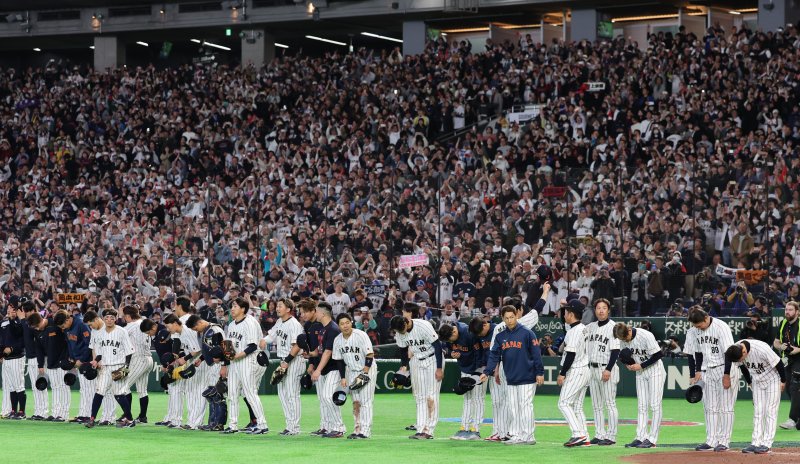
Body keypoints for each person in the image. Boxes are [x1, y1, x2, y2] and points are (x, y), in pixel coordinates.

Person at [480, 305, 544, 445]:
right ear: (502, 318)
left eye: (512, 317)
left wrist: (540, 372)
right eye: (507, 318)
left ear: (516, 316)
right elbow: (494, 356)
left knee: (525, 406)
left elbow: (536, 354)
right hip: (510, 377)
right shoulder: (500, 336)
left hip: (527, 377)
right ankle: (516, 434)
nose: (510, 320)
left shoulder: (527, 333)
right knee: (513, 407)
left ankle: (528, 435)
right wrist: (487, 371)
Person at [688, 306, 738, 452]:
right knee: (710, 408)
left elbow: (729, 353)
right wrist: (697, 371)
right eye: (695, 326)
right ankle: (711, 440)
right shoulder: (697, 330)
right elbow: (697, 352)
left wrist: (727, 375)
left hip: (725, 367)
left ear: (706, 318)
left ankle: (724, 441)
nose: (698, 328)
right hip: (707, 370)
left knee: (726, 408)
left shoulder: (721, 327)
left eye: (699, 325)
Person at [390, 302, 443, 439]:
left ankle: (429, 431)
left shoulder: (423, 326)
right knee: (419, 396)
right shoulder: (399, 332)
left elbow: (437, 346)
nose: (401, 333)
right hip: (416, 361)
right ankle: (420, 429)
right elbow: (403, 351)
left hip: (432, 358)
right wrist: (404, 366)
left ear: (407, 322)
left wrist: (439, 368)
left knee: (431, 396)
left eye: (402, 330)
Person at [725, 339, 786, 454]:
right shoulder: (736, 349)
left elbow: (778, 363)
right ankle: (755, 442)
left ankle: (767, 443)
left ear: (744, 352)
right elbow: (743, 367)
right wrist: (749, 382)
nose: (741, 360)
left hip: (772, 379)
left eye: (741, 358)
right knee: (758, 411)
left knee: (770, 410)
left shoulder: (761, 349)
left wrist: (783, 381)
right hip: (757, 381)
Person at [613, 322, 665, 449]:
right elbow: (626, 356)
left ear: (629, 331)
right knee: (642, 406)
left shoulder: (645, 335)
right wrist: (628, 364)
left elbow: (658, 355)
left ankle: (652, 439)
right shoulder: (623, 338)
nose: (624, 341)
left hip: (655, 371)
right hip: (640, 373)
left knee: (654, 405)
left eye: (625, 338)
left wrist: (641, 365)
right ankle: (640, 437)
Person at [221, 297, 268, 434]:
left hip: (249, 361)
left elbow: (253, 346)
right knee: (232, 393)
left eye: (235, 306)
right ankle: (233, 425)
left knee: (250, 393)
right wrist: (227, 361)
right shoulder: (231, 325)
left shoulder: (250, 322)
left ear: (243, 309)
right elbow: (228, 345)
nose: (232, 308)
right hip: (235, 363)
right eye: (232, 306)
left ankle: (262, 424)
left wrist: (236, 356)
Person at [84, 309, 136, 428]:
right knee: (99, 392)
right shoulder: (100, 333)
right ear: (103, 319)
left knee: (119, 394)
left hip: (118, 366)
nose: (109, 320)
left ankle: (130, 419)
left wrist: (126, 368)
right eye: (107, 318)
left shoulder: (122, 331)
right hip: (105, 368)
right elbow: (100, 353)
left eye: (112, 318)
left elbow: (129, 351)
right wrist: (95, 361)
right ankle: (92, 419)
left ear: (115, 319)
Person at [262, 298, 306, 436]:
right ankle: (289, 425)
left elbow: (297, 345)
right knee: (283, 395)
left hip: (294, 361)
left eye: (280, 306)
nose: (277, 308)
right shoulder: (279, 321)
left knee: (292, 395)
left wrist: (286, 361)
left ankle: (295, 427)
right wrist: (263, 340)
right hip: (283, 361)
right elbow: (271, 336)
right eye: (277, 306)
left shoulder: (294, 324)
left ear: (288, 309)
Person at [333, 312, 377, 439]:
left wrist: (365, 373)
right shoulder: (338, 340)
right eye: (342, 324)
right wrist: (343, 378)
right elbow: (339, 360)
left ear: (351, 322)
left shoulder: (361, 335)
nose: (345, 326)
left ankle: (365, 431)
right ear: (339, 326)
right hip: (351, 371)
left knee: (366, 400)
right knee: (356, 402)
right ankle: (357, 429)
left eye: (347, 322)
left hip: (367, 369)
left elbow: (369, 354)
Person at [438, 320, 483, 440]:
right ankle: (464, 427)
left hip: (478, 368)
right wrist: (453, 353)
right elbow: (452, 348)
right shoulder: (449, 336)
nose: (450, 342)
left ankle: (476, 429)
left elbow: (479, 352)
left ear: (454, 332)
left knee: (478, 398)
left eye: (450, 340)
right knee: (467, 398)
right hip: (465, 368)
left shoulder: (468, 333)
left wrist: (479, 372)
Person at [585, 298, 620, 445]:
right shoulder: (590, 327)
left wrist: (608, 369)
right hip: (592, 369)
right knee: (596, 404)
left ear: (608, 310)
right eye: (598, 308)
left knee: (609, 403)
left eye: (604, 308)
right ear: (595, 310)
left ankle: (611, 436)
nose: (601, 310)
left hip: (606, 368)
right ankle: (600, 434)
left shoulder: (614, 327)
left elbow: (616, 350)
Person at [185, 314, 227, 431]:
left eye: (195, 328)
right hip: (212, 366)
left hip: (219, 365)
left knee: (217, 394)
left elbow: (225, 348)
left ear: (199, 323)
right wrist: (201, 359)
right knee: (211, 394)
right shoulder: (207, 330)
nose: (195, 330)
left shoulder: (215, 330)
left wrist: (224, 365)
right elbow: (209, 349)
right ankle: (212, 422)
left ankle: (218, 424)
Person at [558, 302, 591, 447]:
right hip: (585, 369)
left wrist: (562, 373)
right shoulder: (582, 328)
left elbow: (570, 354)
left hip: (576, 370)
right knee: (576, 407)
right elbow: (564, 323)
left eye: (565, 312)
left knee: (563, 403)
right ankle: (585, 436)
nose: (563, 314)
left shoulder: (574, 331)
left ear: (571, 314)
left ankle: (578, 434)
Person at [311, 301, 345, 438]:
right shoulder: (324, 328)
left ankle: (339, 427)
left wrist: (318, 370)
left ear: (323, 313)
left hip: (334, 368)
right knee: (324, 398)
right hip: (327, 368)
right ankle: (329, 426)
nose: (316, 313)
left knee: (327, 396)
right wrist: (311, 354)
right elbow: (321, 350)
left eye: (317, 311)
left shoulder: (333, 329)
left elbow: (328, 352)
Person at [29, 310, 70, 422]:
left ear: (42, 320)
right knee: (55, 387)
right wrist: (40, 364)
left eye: (37, 326)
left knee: (64, 386)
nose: (37, 329)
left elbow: (67, 342)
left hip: (62, 362)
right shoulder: (38, 332)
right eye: (34, 328)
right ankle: (56, 413)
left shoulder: (55, 323)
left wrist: (67, 358)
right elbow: (39, 349)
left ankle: (64, 414)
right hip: (51, 362)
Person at [55, 309, 92, 423]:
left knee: (89, 389)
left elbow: (89, 343)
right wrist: (72, 359)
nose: (63, 327)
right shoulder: (67, 328)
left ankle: (88, 415)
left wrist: (82, 359)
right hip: (77, 361)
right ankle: (83, 414)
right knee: (84, 389)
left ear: (68, 319)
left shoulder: (81, 324)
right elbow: (70, 344)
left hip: (87, 361)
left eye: (63, 324)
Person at [298, 299, 327, 436]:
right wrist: (311, 363)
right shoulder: (308, 325)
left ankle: (332, 426)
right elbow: (311, 347)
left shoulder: (322, 323)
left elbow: (324, 347)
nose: (302, 315)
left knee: (327, 397)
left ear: (313, 310)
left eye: (304, 312)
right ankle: (324, 426)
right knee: (322, 397)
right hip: (317, 363)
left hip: (328, 364)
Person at [122, 305, 154, 424]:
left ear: (128, 316)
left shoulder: (132, 325)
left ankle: (127, 416)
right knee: (142, 390)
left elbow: (119, 335)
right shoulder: (143, 321)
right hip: (148, 359)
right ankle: (142, 417)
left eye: (124, 316)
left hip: (139, 358)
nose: (124, 319)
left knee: (123, 387)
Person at [21, 301, 48, 420]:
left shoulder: (37, 320)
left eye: (25, 311)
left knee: (41, 385)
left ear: (32, 310)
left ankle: (44, 412)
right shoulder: (28, 322)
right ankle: (38, 411)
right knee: (34, 386)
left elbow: (34, 335)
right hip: (31, 356)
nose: (24, 314)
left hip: (39, 357)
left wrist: (23, 321)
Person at [776, 300, 800, 430]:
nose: (787, 312)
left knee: (795, 387)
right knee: (789, 386)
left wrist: (796, 349)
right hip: (787, 359)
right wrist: (781, 346)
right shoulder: (783, 323)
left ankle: (792, 418)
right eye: (786, 309)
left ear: (797, 312)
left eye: (790, 310)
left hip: (799, 358)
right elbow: (775, 342)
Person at [1, 304, 27, 419]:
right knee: (11, 387)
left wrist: (12, 349)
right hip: (6, 359)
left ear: (17, 311)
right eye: (8, 309)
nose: (9, 311)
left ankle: (22, 412)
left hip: (17, 358)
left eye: (12, 309)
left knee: (19, 386)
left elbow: (21, 340)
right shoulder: (3, 323)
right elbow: (1, 341)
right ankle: (13, 410)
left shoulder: (20, 322)